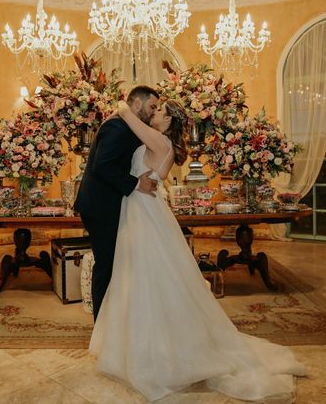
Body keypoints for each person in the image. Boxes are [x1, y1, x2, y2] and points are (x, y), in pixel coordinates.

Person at [89, 98, 306, 403]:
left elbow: (128, 117)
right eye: (153, 108)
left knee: (144, 276)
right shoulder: (162, 143)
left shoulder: (159, 140)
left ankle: (151, 350)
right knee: (143, 276)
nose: (153, 113)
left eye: (159, 110)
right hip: (141, 210)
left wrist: (123, 107)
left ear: (169, 122)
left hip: (142, 213)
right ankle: (144, 342)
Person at [74, 85, 161, 321]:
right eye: (152, 106)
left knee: (113, 265)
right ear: (136, 104)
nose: (154, 112)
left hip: (109, 204)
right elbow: (103, 166)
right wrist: (136, 183)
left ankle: (113, 324)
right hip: (100, 207)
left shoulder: (129, 127)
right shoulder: (117, 126)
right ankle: (101, 326)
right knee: (106, 266)